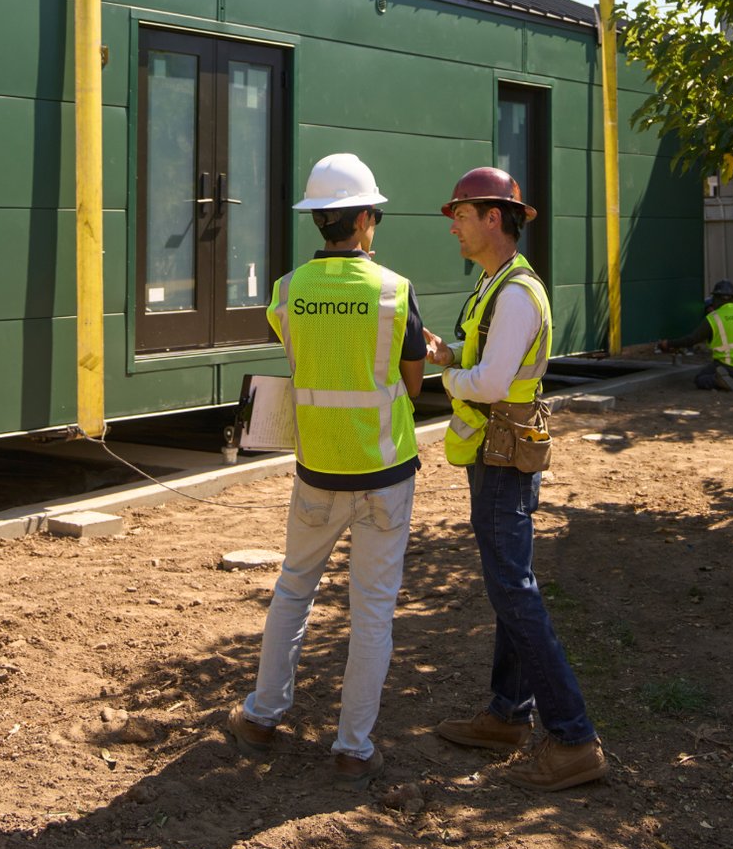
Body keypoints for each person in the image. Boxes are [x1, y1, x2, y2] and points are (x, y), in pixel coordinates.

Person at [225, 153, 426, 790]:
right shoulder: (394, 291)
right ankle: (353, 748)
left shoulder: (287, 292)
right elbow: (414, 384)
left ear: (318, 219)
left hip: (317, 471)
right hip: (385, 472)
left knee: (293, 589)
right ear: (366, 218)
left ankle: (261, 717)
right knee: (371, 612)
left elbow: (305, 358)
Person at [420, 166, 607, 793]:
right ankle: (507, 714)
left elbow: (495, 383)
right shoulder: (495, 285)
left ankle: (575, 737)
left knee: (514, 594)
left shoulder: (517, 293)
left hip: (503, 460)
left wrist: (445, 379)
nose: (454, 226)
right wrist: (452, 356)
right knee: (509, 589)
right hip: (495, 455)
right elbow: (488, 365)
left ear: (493, 218)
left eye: (461, 215)